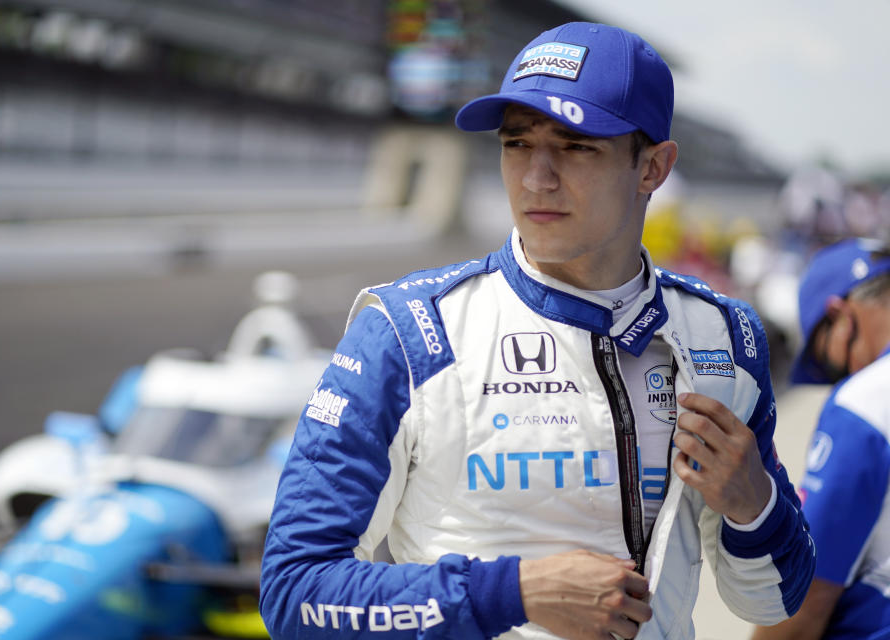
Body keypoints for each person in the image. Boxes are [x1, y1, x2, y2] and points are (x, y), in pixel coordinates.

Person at [260, 22, 814, 640]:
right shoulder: (409, 333)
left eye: (577, 146)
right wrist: (516, 593)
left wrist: (752, 504)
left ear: (653, 168)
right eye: (517, 144)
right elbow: (294, 595)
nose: (536, 179)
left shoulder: (723, 339)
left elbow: (773, 601)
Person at [752, 238, 890, 640]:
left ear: (840, 316)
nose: (837, 380)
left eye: (826, 363)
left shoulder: (866, 400)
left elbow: (805, 594)